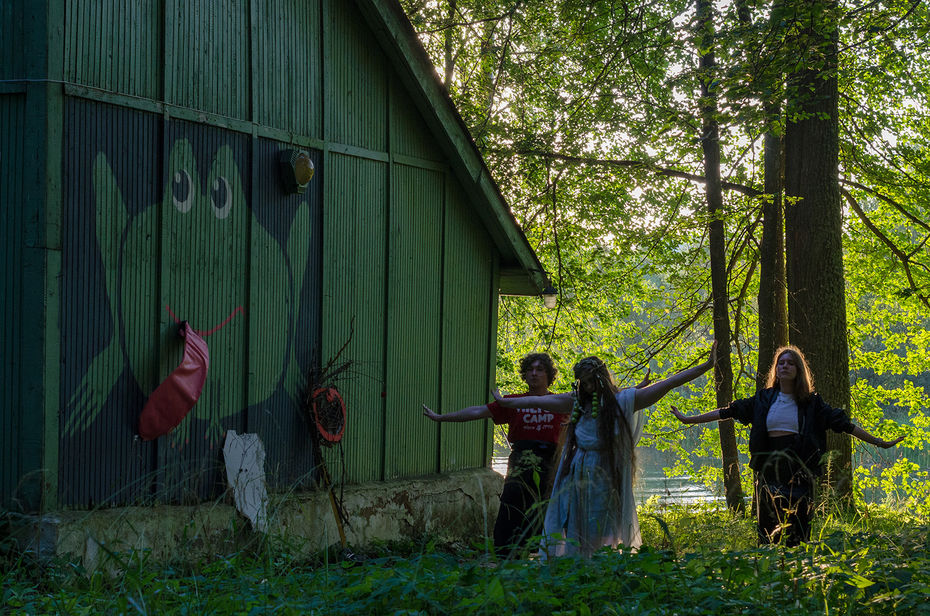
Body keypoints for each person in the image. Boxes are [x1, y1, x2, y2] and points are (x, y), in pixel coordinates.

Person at [492, 342, 717, 558]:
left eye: (591, 381)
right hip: (578, 471)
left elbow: (669, 383)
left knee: (603, 520)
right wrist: (506, 403)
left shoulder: (623, 401)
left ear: (601, 379)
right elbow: (536, 402)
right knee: (575, 517)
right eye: (583, 382)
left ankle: (603, 560)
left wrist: (705, 366)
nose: (588, 387)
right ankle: (577, 562)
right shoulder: (576, 402)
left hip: (606, 472)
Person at [670, 345, 905, 547]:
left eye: (790, 363)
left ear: (798, 370)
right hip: (769, 470)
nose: (784, 366)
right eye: (780, 363)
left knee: (798, 531)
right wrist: (689, 419)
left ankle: (798, 575)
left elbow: (844, 425)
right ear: (776, 369)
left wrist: (880, 443)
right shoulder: (763, 399)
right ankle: (770, 576)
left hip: (800, 471)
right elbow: (727, 411)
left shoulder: (812, 403)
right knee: (767, 530)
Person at [421, 353, 562, 557]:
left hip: (550, 461)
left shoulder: (560, 401)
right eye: (530, 369)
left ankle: (543, 552)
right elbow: (478, 411)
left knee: (547, 504)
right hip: (521, 459)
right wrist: (441, 418)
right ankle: (506, 552)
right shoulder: (513, 402)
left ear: (549, 375)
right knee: (512, 502)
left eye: (540, 369)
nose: (534, 374)